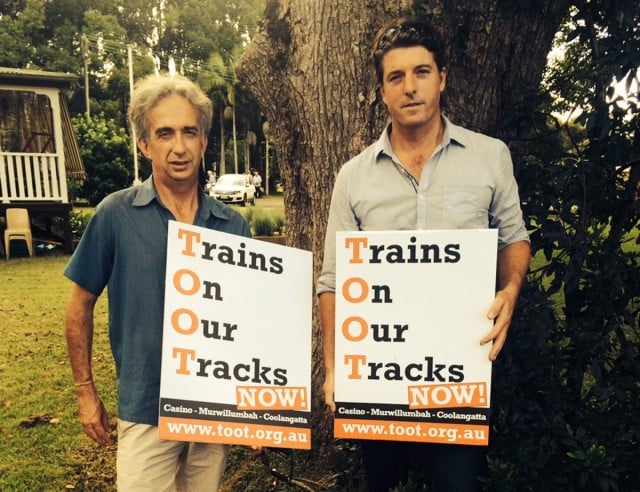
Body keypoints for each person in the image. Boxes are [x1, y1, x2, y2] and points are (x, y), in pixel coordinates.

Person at [317, 15, 531, 492]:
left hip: (459, 370)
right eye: (396, 76)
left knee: (459, 485)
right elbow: (332, 281)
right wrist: (335, 370)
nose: (410, 87)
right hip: (378, 373)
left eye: (421, 72)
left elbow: (514, 238)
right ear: (382, 90)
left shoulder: (489, 156)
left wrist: (511, 290)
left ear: (442, 79)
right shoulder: (353, 177)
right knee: (383, 484)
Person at [64, 73, 251, 491]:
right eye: (164, 133)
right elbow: (80, 304)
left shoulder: (232, 225)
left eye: (189, 132)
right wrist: (84, 391)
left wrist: (256, 412)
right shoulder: (115, 214)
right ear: (144, 144)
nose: (179, 147)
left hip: (213, 409)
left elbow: (251, 323)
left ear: (204, 142)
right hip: (146, 407)